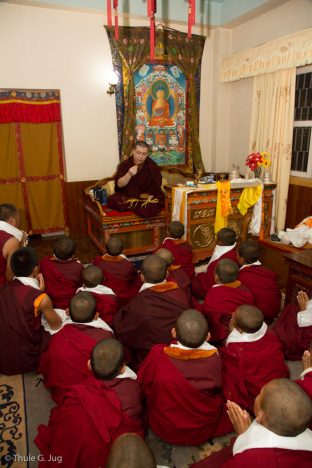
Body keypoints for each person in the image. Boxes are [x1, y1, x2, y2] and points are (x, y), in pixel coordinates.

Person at [35, 338, 143, 468]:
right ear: (122, 369)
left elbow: (62, 422)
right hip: (117, 456)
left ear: (89, 365)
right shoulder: (132, 389)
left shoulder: (77, 395)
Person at [138, 309, 233, 445]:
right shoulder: (215, 359)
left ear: (173, 332)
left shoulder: (158, 354)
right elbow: (219, 387)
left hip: (165, 426)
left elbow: (143, 384)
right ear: (208, 337)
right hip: (201, 427)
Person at [192, 379, 312, 467]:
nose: (257, 395)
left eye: (260, 394)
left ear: (259, 417)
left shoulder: (252, 461)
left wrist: (244, 437)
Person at [113, 255, 191, 368]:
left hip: (151, 357)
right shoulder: (180, 294)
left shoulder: (139, 304)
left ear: (142, 277)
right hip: (179, 350)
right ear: (167, 274)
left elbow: (123, 331)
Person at [39, 291, 114, 405]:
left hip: (64, 393)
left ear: (67, 312)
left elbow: (47, 365)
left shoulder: (58, 337)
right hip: (92, 393)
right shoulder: (104, 337)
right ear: (96, 315)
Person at [0, 247, 61, 375]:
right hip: (27, 358)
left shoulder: (3, 289)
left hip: (3, 358)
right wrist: (39, 293)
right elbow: (56, 325)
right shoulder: (40, 298)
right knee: (62, 333)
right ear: (35, 269)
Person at [221, 305, 289, 413]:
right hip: (275, 378)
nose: (232, 315)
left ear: (239, 329)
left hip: (257, 390)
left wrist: (230, 332)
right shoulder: (270, 333)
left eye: (233, 317)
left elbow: (229, 366)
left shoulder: (235, 349)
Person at [202, 259, 255, 343]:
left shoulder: (214, 292)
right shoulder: (244, 289)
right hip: (245, 324)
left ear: (216, 277)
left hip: (225, 332)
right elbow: (251, 304)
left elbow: (206, 312)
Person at [107, 141, 164, 217]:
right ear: (133, 151)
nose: (141, 157)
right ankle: (138, 207)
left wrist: (152, 195)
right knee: (113, 200)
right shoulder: (125, 165)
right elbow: (119, 185)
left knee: (157, 201)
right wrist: (129, 174)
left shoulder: (152, 166)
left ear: (147, 154)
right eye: (138, 153)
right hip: (129, 197)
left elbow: (157, 184)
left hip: (146, 198)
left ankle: (136, 206)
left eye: (144, 154)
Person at [237, 240, 281, 324]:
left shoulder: (241, 276)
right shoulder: (267, 272)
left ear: (241, 259)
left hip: (258, 318)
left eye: (237, 255)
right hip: (273, 311)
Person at [93, 237, 141, 306]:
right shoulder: (127, 265)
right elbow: (133, 278)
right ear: (122, 251)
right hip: (122, 297)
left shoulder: (98, 261)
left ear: (106, 250)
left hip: (104, 295)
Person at [192, 228, 238, 299]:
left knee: (195, 284)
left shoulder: (220, 261)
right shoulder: (235, 250)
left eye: (217, 239)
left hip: (219, 283)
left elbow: (211, 278)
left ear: (220, 242)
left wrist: (199, 276)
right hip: (228, 278)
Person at [39, 236, 83, 309]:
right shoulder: (77, 267)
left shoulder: (45, 262)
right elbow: (82, 284)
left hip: (50, 303)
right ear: (73, 255)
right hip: (72, 304)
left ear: (54, 252)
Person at [274, 291, 312, 360]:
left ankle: (282, 344)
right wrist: (306, 304)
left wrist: (303, 310)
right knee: (291, 307)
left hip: (306, 330)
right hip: (306, 316)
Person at [0, 203, 27, 285]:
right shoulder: (11, 241)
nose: (19, 221)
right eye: (19, 218)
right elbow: (10, 277)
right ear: (12, 221)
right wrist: (21, 246)